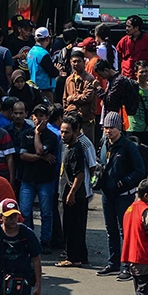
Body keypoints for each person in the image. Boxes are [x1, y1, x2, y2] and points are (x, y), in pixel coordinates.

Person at [97, 111, 145, 278]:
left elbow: (140, 171)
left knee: (124, 231)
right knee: (110, 230)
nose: (108, 130)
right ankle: (113, 263)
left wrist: (124, 182)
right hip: (106, 194)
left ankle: (127, 266)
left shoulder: (128, 146)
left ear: (119, 128)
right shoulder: (104, 143)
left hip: (123, 195)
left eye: (111, 127)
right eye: (105, 127)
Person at [18, 103, 59, 250]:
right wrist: (41, 157)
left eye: (41, 116)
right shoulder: (25, 134)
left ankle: (45, 241)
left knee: (46, 213)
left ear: (47, 118)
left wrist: (37, 135)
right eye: (36, 116)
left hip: (45, 180)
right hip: (27, 180)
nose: (38, 119)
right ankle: (28, 240)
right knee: (25, 213)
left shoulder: (52, 136)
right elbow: (23, 155)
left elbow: (39, 149)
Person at [57, 114, 91, 268]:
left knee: (72, 228)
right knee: (75, 226)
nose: (63, 135)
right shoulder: (69, 147)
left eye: (67, 132)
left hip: (74, 196)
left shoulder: (76, 150)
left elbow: (80, 174)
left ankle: (72, 258)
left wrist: (71, 194)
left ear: (76, 132)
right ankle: (81, 256)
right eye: (62, 131)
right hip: (70, 194)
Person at [62, 50, 99, 142]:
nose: (76, 64)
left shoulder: (89, 78)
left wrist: (72, 98)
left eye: (79, 61)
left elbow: (87, 97)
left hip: (86, 118)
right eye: (74, 61)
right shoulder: (69, 79)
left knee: (87, 143)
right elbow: (65, 99)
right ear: (71, 62)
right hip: (72, 118)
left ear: (84, 62)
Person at [127, 61, 148, 148]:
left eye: (146, 71)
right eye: (141, 72)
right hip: (133, 128)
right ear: (136, 74)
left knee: (145, 154)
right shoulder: (131, 88)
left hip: (147, 127)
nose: (144, 74)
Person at [26, 27, 60, 101]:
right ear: (47, 39)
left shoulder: (31, 51)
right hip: (44, 90)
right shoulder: (43, 54)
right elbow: (52, 72)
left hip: (33, 87)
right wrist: (57, 70)